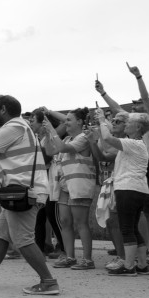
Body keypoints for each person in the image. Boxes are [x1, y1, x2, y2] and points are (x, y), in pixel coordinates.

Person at [0, 95, 58, 294]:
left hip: (23, 192)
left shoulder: (12, 128)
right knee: (1, 234)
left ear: (4, 109)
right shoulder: (22, 128)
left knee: (23, 239)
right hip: (20, 192)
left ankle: (48, 281)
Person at [95, 108, 149, 275]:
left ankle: (129, 266)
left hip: (127, 188)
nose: (126, 125)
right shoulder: (136, 144)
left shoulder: (132, 143)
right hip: (138, 189)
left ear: (137, 128)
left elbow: (107, 137)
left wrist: (101, 119)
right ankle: (142, 265)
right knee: (133, 228)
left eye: (130, 123)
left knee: (126, 228)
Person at [41, 108, 97, 270]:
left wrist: (52, 130)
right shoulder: (67, 138)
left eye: (69, 120)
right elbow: (51, 150)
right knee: (65, 222)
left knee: (81, 223)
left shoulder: (83, 138)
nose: (66, 123)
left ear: (79, 122)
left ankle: (87, 259)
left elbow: (64, 149)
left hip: (79, 186)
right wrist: (46, 134)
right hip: (66, 186)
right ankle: (70, 256)